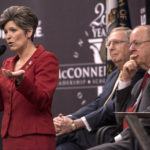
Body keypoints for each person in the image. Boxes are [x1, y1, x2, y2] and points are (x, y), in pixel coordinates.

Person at [53, 27, 145, 150]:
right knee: (64, 147)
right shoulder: (113, 75)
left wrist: (75, 124)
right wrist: (69, 118)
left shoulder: (138, 74)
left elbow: (112, 108)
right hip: (95, 131)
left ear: (130, 47)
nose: (110, 47)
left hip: (112, 132)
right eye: (109, 43)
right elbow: (97, 103)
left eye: (116, 42)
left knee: (57, 133)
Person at [0, 5, 59, 150]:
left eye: (13, 30)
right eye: (6, 31)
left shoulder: (46, 59)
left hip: (35, 138)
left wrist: (22, 81)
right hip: (9, 139)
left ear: (29, 32)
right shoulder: (7, 64)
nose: (8, 36)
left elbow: (43, 100)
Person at [87, 25, 150, 150]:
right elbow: (120, 119)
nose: (131, 49)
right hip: (131, 141)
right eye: (130, 44)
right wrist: (125, 80)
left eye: (136, 43)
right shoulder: (139, 83)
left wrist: (118, 138)